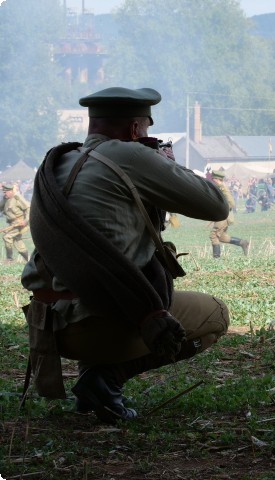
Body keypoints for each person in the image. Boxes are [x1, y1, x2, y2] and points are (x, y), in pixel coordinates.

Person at [21, 87, 231, 424]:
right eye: (145, 129)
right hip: (97, 322)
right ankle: (105, 381)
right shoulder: (131, 156)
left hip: (48, 326)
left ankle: (96, 386)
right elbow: (215, 205)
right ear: (135, 129)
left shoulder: (59, 161)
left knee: (107, 273)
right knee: (216, 314)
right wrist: (166, 165)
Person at [208, 170, 249, 257]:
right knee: (222, 236)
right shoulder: (219, 188)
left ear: (217, 179)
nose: (212, 180)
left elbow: (231, 203)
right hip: (221, 216)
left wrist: (222, 210)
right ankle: (243, 243)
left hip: (223, 216)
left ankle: (216, 259)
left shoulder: (222, 188)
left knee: (214, 235)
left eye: (214, 179)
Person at [1, 183, 31, 263]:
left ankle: (9, 259)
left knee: (7, 237)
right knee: (18, 242)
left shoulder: (17, 198)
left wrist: (25, 221)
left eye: (6, 192)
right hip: (12, 224)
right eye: (3, 192)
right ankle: (29, 259)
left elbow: (28, 208)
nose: (4, 193)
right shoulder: (5, 198)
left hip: (19, 223)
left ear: (11, 191)